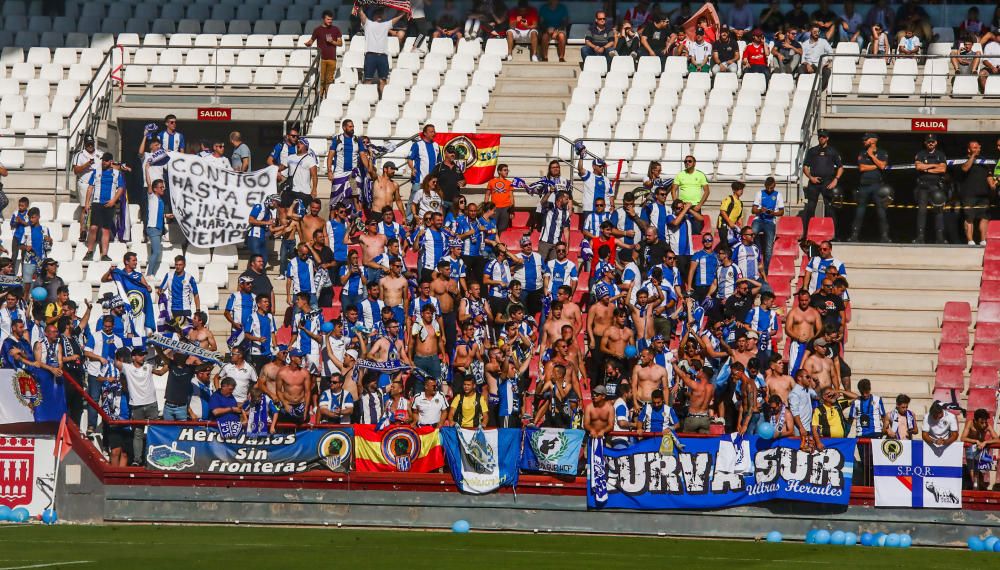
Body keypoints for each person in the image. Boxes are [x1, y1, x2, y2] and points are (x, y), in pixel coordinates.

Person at [113, 347, 166, 466]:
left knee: (155, 431)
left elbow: (161, 372)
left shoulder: (148, 366)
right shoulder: (127, 368)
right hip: (136, 405)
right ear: (133, 357)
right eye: (140, 355)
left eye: (144, 355)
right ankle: (137, 460)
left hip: (151, 403)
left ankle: (156, 458)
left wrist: (170, 362)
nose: (143, 357)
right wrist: (114, 344)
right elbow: (115, 362)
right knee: (138, 433)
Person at [801, 129, 844, 236]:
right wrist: (810, 177)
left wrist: (835, 180)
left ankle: (834, 234)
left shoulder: (832, 151)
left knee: (830, 209)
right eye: (820, 136)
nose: (821, 138)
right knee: (810, 208)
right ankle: (807, 234)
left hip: (827, 182)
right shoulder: (812, 151)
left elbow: (840, 167)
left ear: (827, 138)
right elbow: (805, 166)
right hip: (814, 182)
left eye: (823, 137)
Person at [83, 153, 125, 261]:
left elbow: (120, 189)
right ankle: (89, 251)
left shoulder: (117, 173)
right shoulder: (96, 172)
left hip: (109, 204)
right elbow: (90, 187)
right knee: (93, 228)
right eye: (103, 160)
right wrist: (87, 203)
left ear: (111, 161)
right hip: (97, 202)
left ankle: (104, 254)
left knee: (106, 229)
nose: (104, 162)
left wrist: (113, 201)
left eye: (106, 160)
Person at [849, 133, 889, 243]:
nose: (864, 141)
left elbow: (883, 166)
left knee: (881, 212)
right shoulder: (862, 153)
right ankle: (854, 235)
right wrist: (877, 165)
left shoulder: (882, 153)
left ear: (873, 140)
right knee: (860, 212)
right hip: (864, 186)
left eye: (866, 139)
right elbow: (862, 167)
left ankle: (884, 236)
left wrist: (871, 156)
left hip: (877, 185)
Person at [359, 7, 408, 95]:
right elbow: (361, 14)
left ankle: (383, 100)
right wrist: (359, 7)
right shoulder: (368, 24)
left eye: (380, 14)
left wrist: (404, 12)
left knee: (383, 80)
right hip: (371, 55)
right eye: (377, 14)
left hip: (383, 56)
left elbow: (396, 18)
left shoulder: (386, 24)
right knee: (368, 80)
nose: (379, 16)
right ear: (373, 16)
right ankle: (365, 99)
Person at [953, 140, 992, 245]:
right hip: (968, 194)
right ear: (969, 149)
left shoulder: (984, 161)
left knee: (984, 217)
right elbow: (965, 168)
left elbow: (989, 175)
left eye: (978, 147)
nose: (976, 150)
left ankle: (983, 240)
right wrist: (973, 157)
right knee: (969, 217)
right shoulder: (963, 160)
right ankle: (970, 240)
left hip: (983, 194)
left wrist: (992, 185)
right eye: (974, 148)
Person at [912, 133, 947, 244]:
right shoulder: (921, 154)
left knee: (939, 211)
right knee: (922, 212)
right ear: (925, 143)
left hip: (936, 186)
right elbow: (918, 166)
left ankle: (940, 238)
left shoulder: (940, 154)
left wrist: (926, 168)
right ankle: (920, 237)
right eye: (928, 141)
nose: (930, 143)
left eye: (932, 141)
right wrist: (934, 166)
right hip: (923, 186)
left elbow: (943, 169)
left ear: (936, 143)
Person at [304, 11, 343, 98]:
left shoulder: (336, 29)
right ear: (323, 19)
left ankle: (327, 97)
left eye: (331, 19)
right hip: (321, 58)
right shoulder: (317, 30)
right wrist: (308, 43)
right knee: (321, 79)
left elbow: (340, 43)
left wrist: (332, 41)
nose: (330, 21)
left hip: (332, 58)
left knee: (329, 80)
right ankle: (320, 97)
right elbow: (311, 40)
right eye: (328, 19)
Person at [750, 177, 783, 271]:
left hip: (770, 221)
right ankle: (757, 249)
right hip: (759, 219)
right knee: (751, 234)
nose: (769, 190)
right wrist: (761, 210)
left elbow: (781, 212)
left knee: (768, 249)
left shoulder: (778, 195)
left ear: (774, 185)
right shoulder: (759, 193)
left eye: (771, 188)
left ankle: (765, 271)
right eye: (768, 188)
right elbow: (753, 210)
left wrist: (773, 213)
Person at [670, 155, 709, 234]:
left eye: (689, 161)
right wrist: (676, 204)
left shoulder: (700, 175)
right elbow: (673, 190)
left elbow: (707, 191)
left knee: (695, 231)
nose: (687, 163)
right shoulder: (680, 174)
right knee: (681, 230)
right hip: (682, 207)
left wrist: (699, 205)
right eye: (685, 161)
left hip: (695, 207)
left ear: (694, 163)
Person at [961, 408, 998, 490]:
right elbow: (963, 438)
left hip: (982, 450)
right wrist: (976, 441)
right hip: (971, 450)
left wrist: (985, 442)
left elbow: (997, 439)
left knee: (980, 474)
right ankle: (976, 488)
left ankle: (980, 488)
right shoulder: (970, 423)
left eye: (985, 422)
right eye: (982, 422)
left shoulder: (987, 425)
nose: (984, 425)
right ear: (975, 420)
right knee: (973, 473)